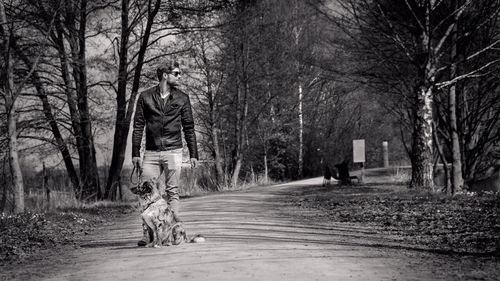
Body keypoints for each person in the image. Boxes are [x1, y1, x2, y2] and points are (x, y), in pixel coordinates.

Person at [132, 61, 198, 246]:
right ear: (165, 75)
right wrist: (135, 153)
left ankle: (169, 234)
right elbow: (138, 126)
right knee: (145, 194)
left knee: (172, 192)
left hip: (173, 151)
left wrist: (193, 153)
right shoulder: (145, 97)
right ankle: (148, 236)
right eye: (176, 73)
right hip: (151, 153)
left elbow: (189, 127)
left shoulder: (182, 98)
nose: (180, 76)